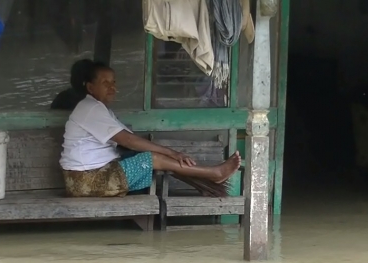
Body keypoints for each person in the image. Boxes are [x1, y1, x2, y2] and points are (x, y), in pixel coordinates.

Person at [59, 59, 241, 197]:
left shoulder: (98, 108)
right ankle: (213, 173)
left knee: (150, 158)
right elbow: (128, 141)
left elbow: (129, 140)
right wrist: (172, 153)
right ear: (90, 87)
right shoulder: (90, 108)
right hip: (86, 181)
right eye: (105, 83)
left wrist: (167, 155)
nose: (112, 88)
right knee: (152, 159)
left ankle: (205, 182)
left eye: (113, 82)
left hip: (93, 176)